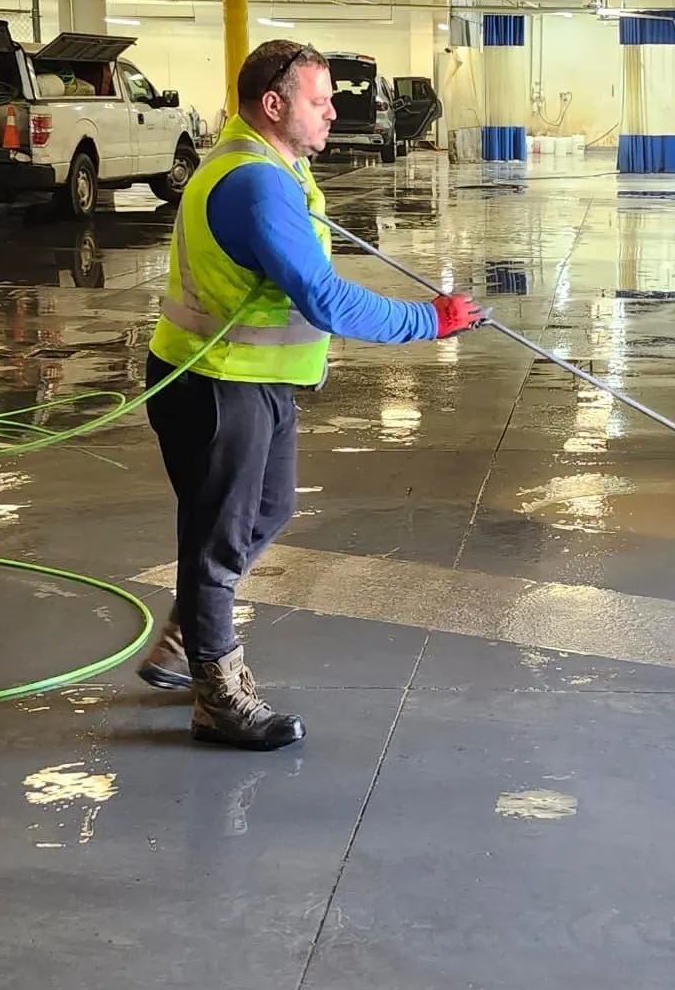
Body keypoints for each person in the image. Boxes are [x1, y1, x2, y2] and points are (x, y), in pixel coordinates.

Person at [138, 39, 484, 750]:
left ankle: (191, 629)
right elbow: (323, 298)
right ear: (274, 104)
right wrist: (430, 320)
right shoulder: (253, 183)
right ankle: (218, 694)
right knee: (219, 536)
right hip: (214, 386)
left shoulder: (274, 166)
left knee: (270, 509)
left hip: (257, 383)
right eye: (320, 100)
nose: (334, 112)